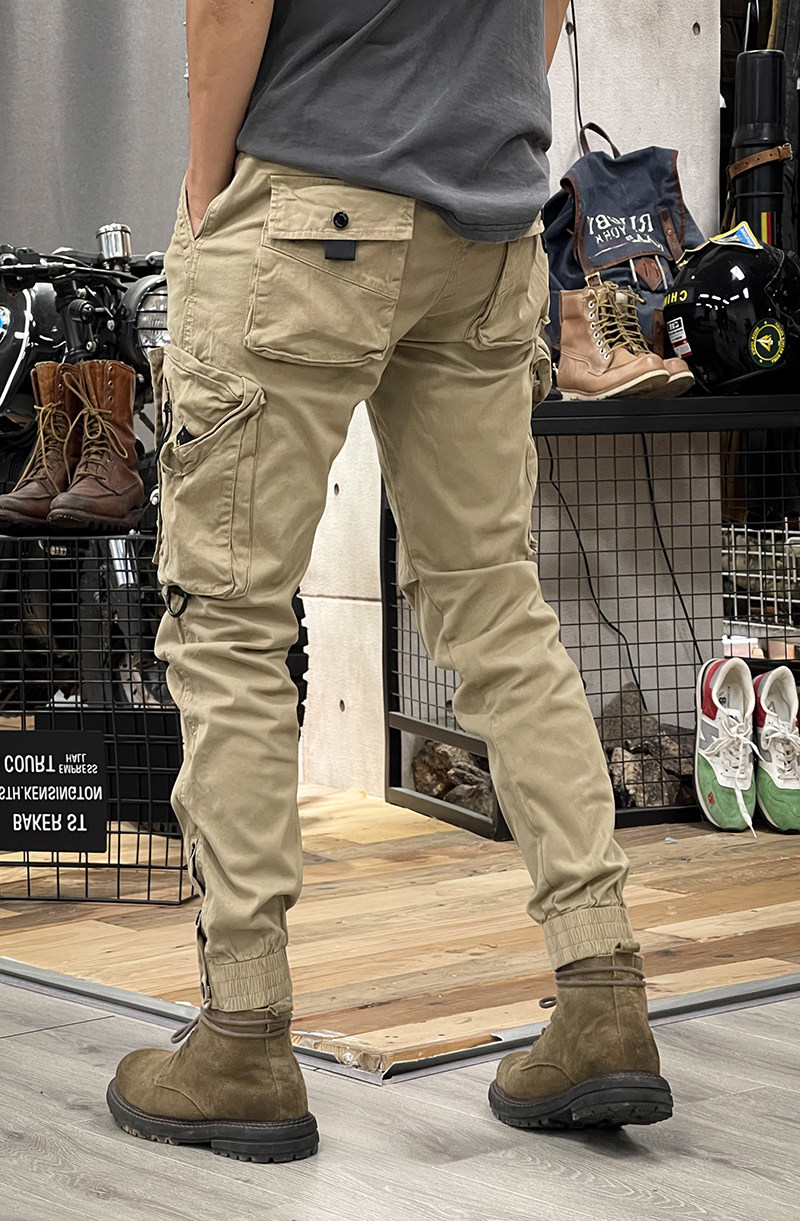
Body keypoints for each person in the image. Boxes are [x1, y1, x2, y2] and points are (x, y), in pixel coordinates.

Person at [106, 0, 674, 1162]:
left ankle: (241, 1037)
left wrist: (206, 195)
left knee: (229, 622)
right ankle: (600, 993)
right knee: (497, 607)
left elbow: (228, 5)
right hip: (488, 228)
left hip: (306, 200)